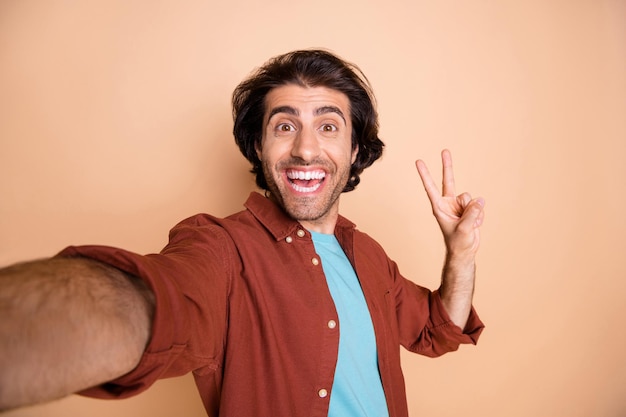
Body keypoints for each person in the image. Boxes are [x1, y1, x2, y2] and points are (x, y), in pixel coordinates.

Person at [0, 49, 485, 416]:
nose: (305, 149)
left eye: (329, 126)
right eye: (284, 126)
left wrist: (460, 255)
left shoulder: (368, 256)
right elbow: (154, 302)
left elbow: (436, 329)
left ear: (356, 150)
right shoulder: (220, 249)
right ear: (258, 145)